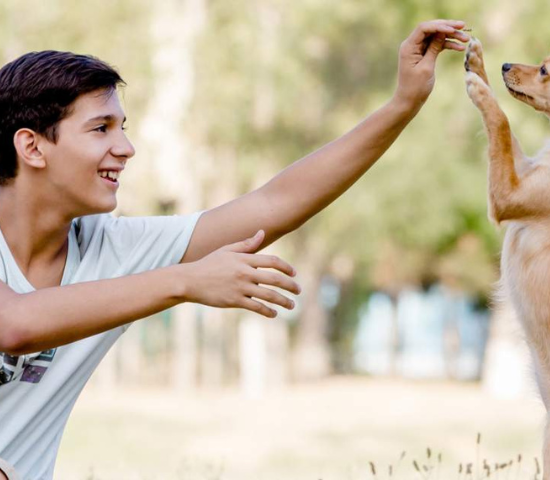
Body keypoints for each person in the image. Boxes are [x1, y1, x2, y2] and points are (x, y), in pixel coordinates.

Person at [0, 19, 469, 480]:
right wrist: (185, 281)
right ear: (33, 147)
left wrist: (402, 105)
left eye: (122, 127)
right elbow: (15, 324)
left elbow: (275, 203)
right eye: (101, 128)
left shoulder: (112, 250)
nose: (126, 147)